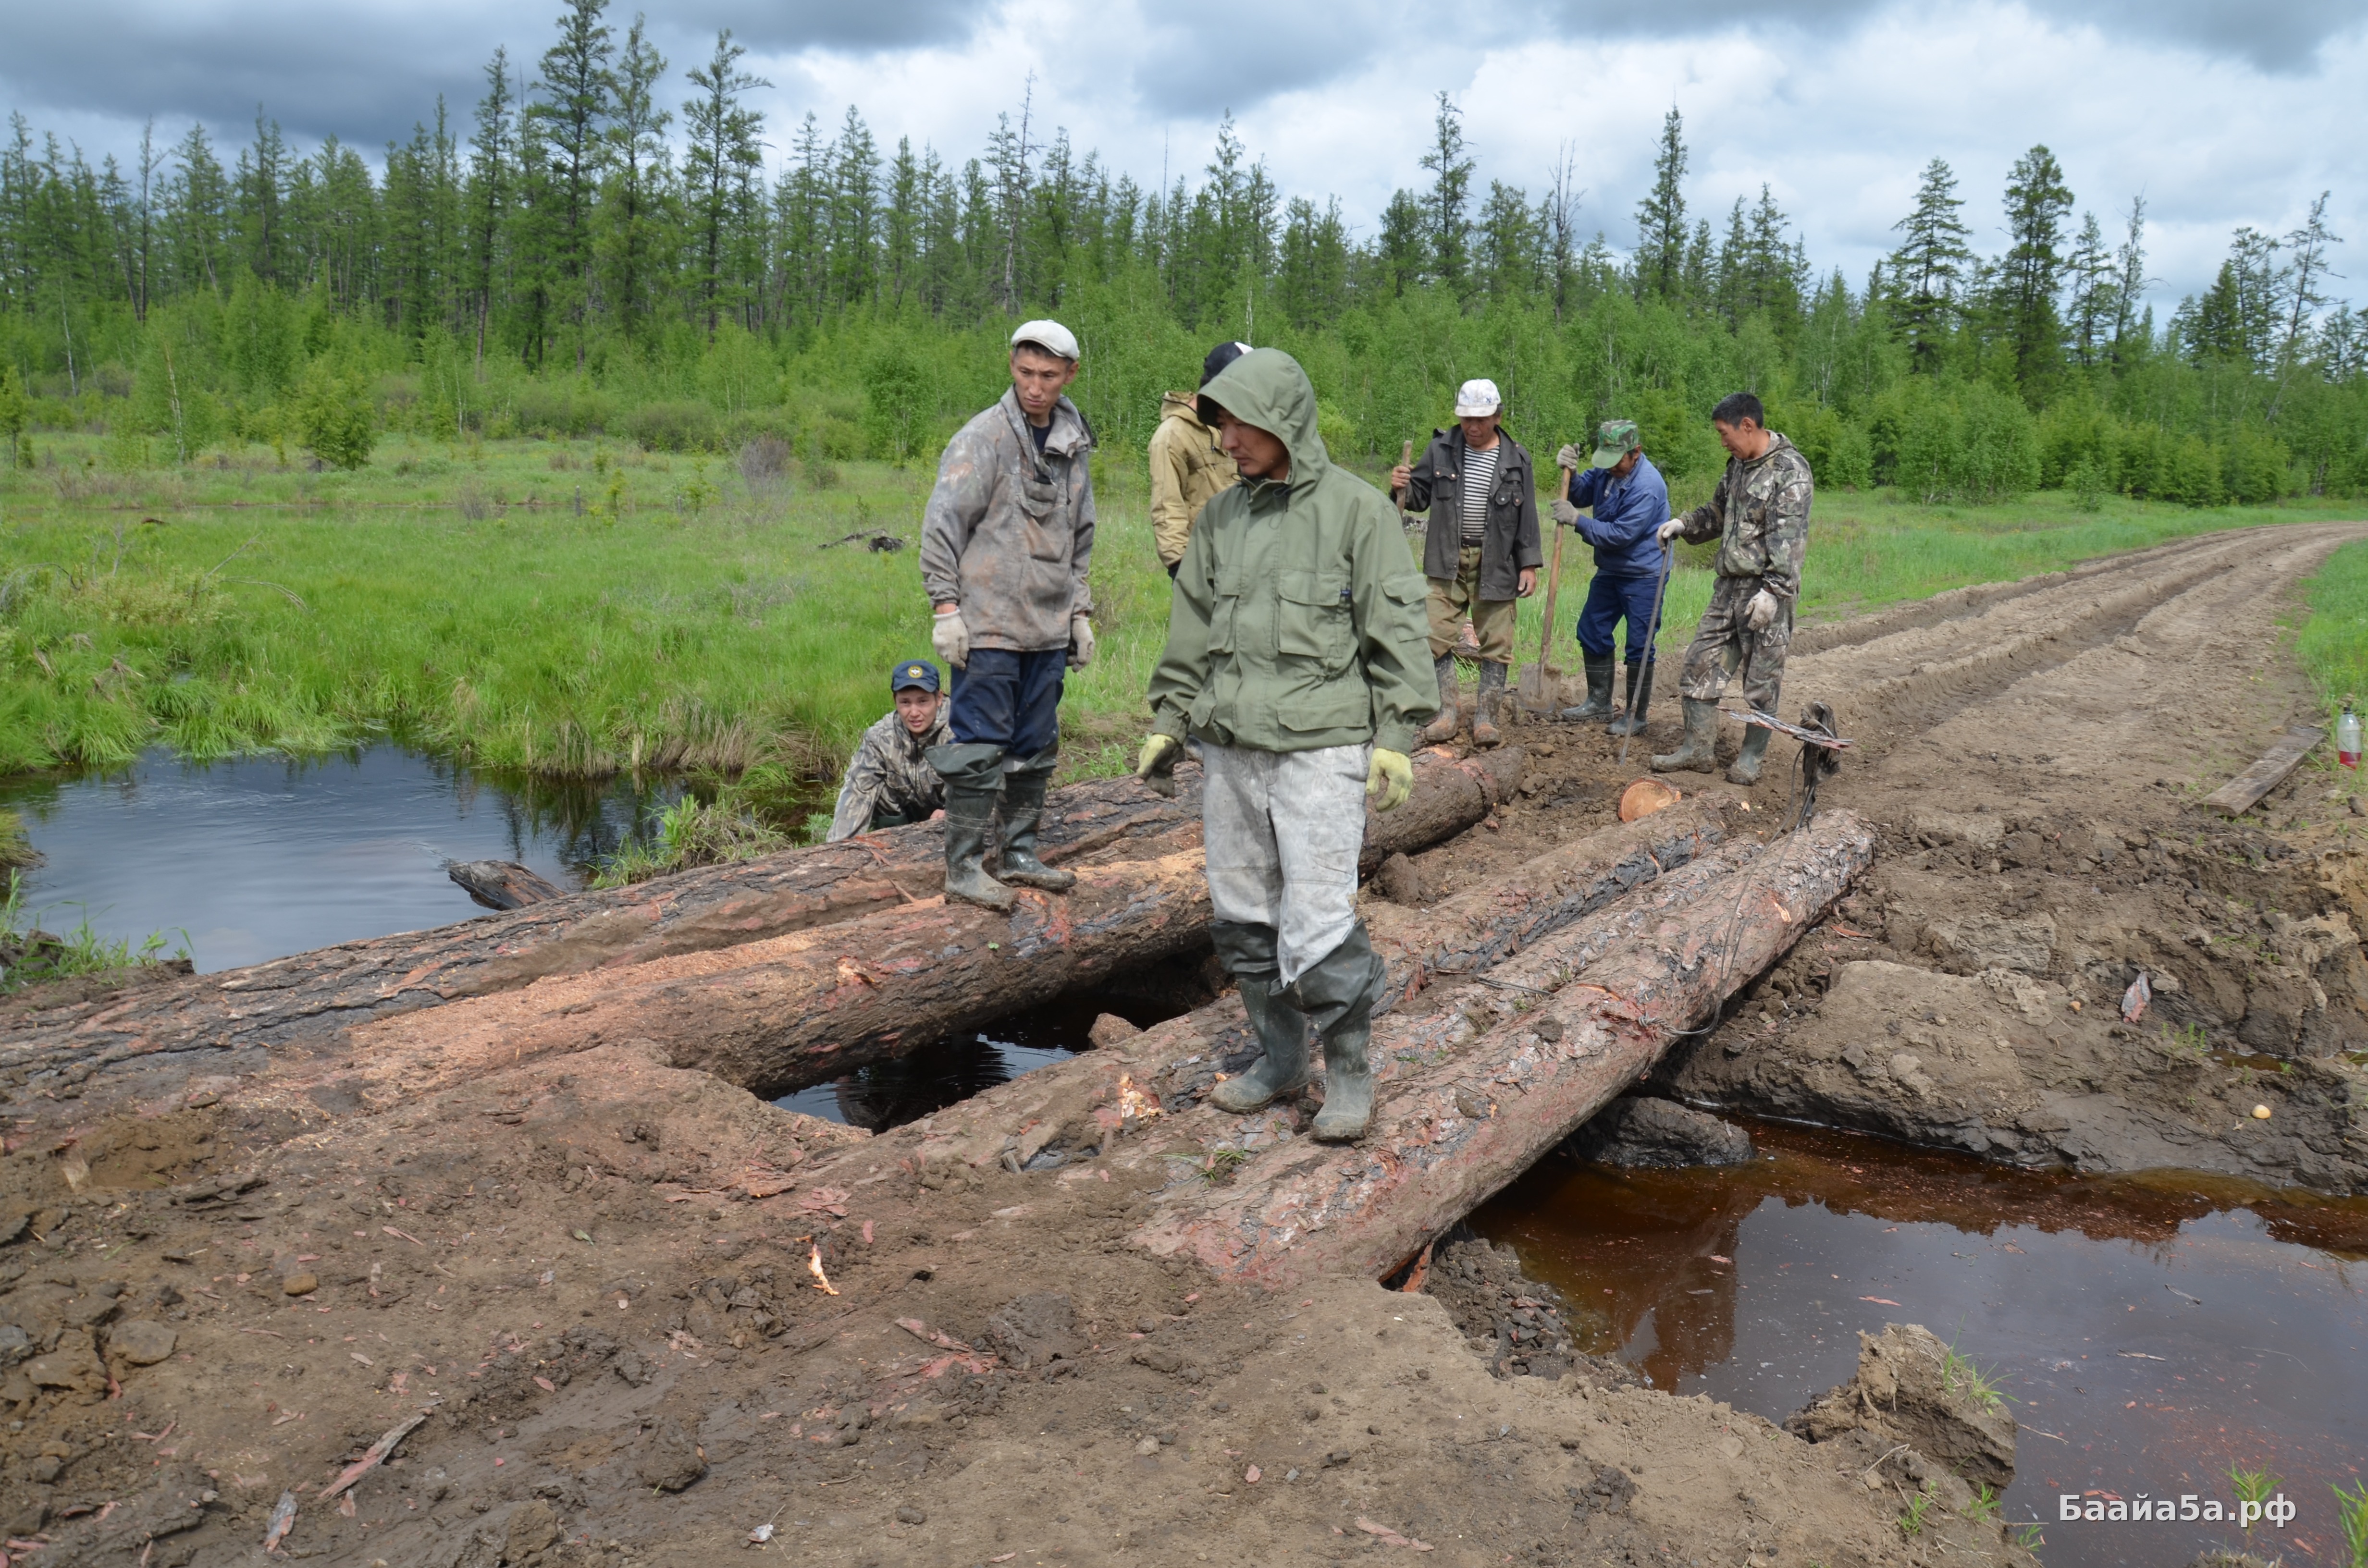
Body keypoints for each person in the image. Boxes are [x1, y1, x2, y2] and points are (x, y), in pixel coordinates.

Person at [1135, 347, 1434, 1144]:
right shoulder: (1219, 520)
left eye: (1239, 424)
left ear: (1283, 422)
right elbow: (1191, 631)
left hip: (1320, 751)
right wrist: (1168, 720)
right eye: (1219, 424)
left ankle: (1349, 1072)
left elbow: (1397, 627)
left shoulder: (1357, 511)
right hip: (1230, 750)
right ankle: (1280, 1059)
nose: (1225, 439)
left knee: (1318, 920)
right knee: (1242, 915)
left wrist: (1397, 734)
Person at [918, 319, 1098, 909]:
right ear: (1011, 367)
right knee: (979, 746)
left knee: (1035, 745)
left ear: (1070, 374)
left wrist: (1079, 614)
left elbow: (1080, 536)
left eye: (1048, 375)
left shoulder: (1072, 443)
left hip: (1046, 628)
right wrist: (946, 610)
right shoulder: (982, 438)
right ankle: (964, 868)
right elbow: (942, 526)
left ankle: (1019, 854)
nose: (1035, 387)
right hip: (990, 624)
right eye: (1025, 373)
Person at [1649, 391, 1814, 784]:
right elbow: (1719, 512)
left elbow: (1790, 541)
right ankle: (1697, 749)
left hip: (1766, 591)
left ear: (1748, 426)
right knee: (1699, 662)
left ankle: (1751, 758)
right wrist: (1684, 524)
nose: (1722, 442)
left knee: (1762, 679)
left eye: (1725, 433)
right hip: (1728, 587)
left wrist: (1773, 593)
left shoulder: (1789, 471)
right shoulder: (1738, 466)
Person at [1390, 379, 1542, 749]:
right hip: (1446, 557)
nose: (1473, 427)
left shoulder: (1517, 459)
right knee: (1432, 635)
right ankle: (1446, 713)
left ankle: (1486, 719)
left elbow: (1528, 518)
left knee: (1497, 641)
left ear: (1497, 417)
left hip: (1497, 561)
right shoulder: (1440, 449)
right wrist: (1400, 487)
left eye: (1481, 419)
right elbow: (1418, 499)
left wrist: (1528, 565)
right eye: (1467, 419)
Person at [1550, 419, 1671, 737]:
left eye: (1618, 461)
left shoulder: (1648, 486)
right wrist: (1572, 473)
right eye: (1608, 461)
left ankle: (1636, 716)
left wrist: (1577, 521)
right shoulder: (1608, 471)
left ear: (1636, 452)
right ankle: (1599, 702)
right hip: (1611, 569)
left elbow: (1619, 535)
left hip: (1644, 573)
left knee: (1639, 645)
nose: (1612, 468)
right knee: (1592, 629)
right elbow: (1581, 493)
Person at [1147, 341, 1249, 576]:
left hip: (1240, 558)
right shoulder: (1171, 436)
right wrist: (1180, 568)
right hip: (1200, 564)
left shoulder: (1228, 428)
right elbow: (1167, 508)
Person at [824, 661, 951, 842]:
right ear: (895, 701)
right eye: (905, 703)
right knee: (877, 789)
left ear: (939, 698)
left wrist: (953, 812)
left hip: (954, 813)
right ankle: (896, 844)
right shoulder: (880, 736)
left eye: (923, 702)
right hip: (909, 815)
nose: (914, 712)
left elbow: (976, 785)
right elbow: (857, 789)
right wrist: (838, 846)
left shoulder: (961, 730)